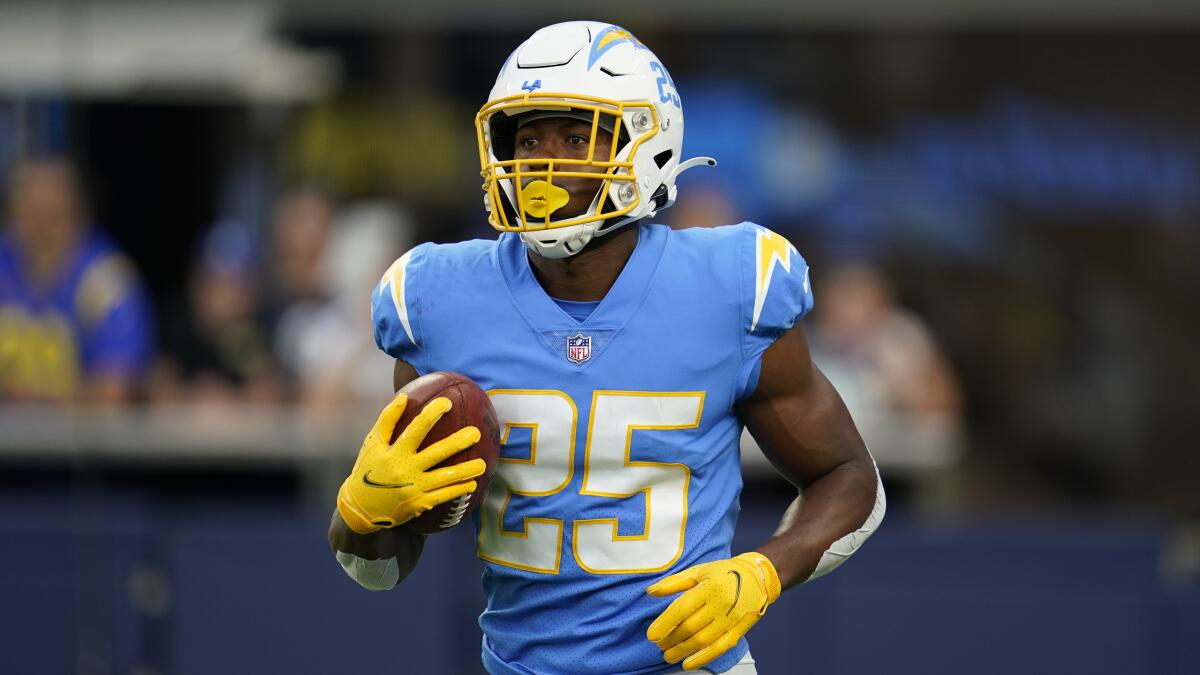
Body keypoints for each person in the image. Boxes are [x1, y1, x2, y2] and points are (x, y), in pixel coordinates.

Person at [328, 22, 885, 675]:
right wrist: (360, 516)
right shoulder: (442, 299)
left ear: (646, 144)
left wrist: (763, 571)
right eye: (527, 137)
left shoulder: (731, 287)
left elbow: (852, 481)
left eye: (575, 135)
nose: (544, 159)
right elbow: (383, 567)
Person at [0, 157, 154, 404]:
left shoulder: (105, 279)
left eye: (53, 216)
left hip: (82, 439)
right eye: (30, 214)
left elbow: (117, 387)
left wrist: (27, 396)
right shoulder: (4, 262)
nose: (41, 231)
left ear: (79, 214)